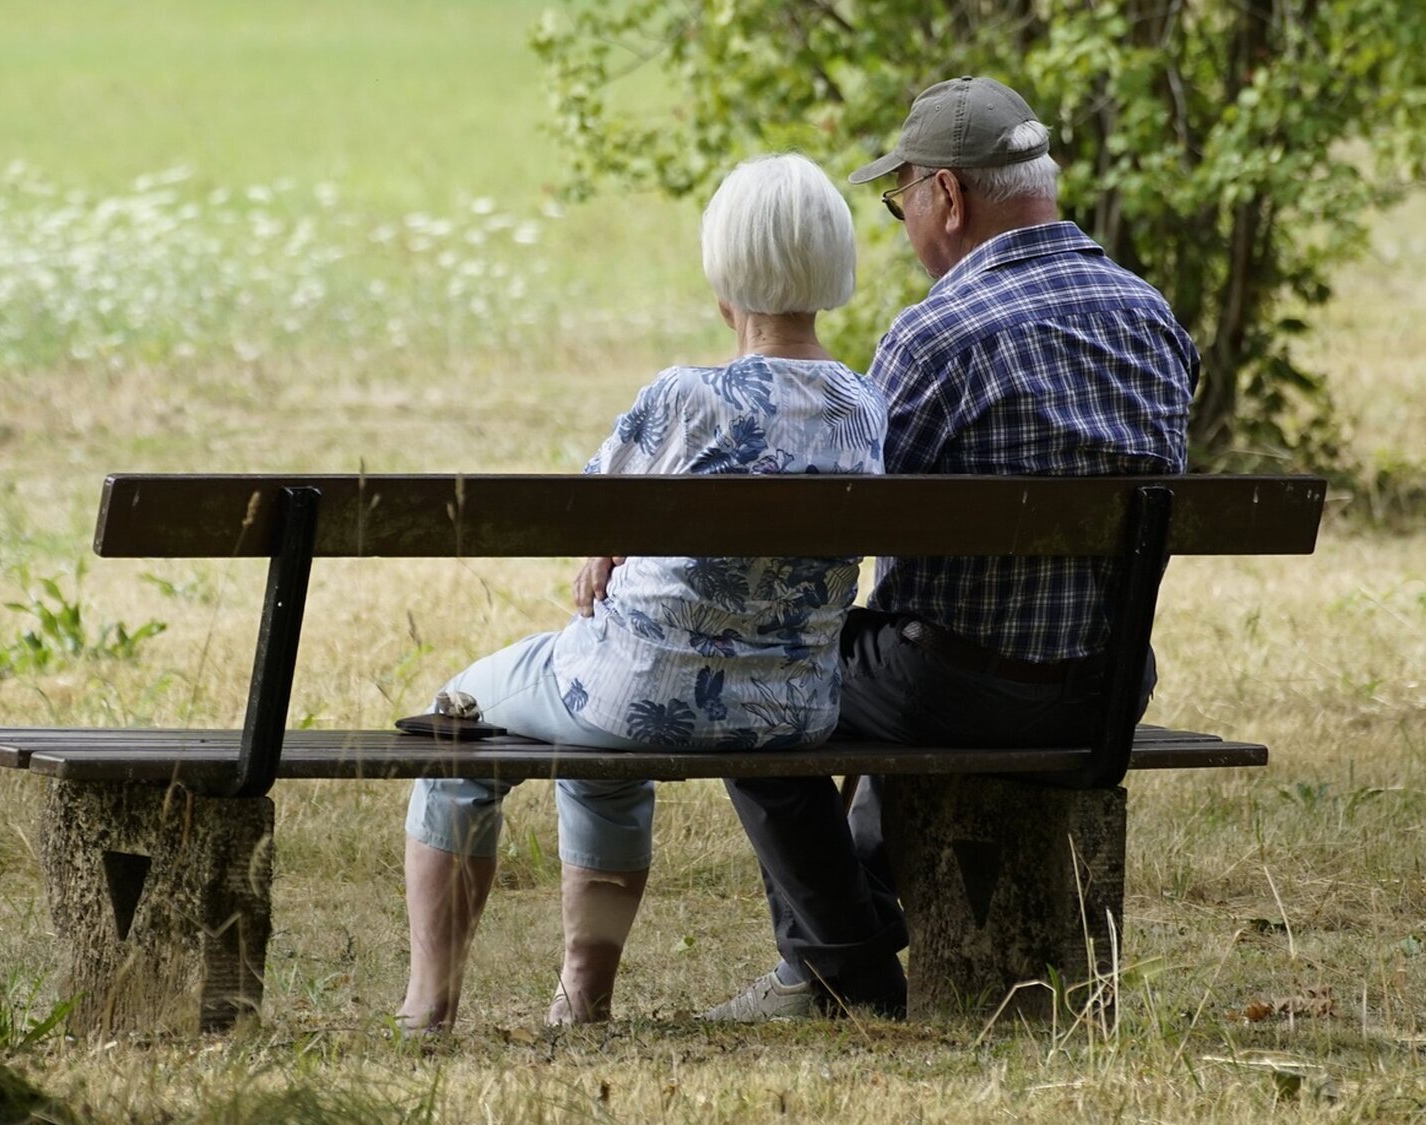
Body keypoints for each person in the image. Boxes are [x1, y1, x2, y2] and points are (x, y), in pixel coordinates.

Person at [703, 76, 1199, 1021]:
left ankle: (841, 969)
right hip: (1106, 689)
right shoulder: (1154, 319)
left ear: (948, 196)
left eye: (901, 205)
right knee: (909, 645)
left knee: (751, 675)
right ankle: (860, 922)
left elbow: (845, 528)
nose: (905, 226)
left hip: (960, 692)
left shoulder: (936, 336)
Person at [397, 153, 888, 1034]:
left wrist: (606, 546)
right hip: (791, 709)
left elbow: (585, 510)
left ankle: (428, 1004)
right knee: (595, 747)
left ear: (724, 271)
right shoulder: (864, 406)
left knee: (455, 719)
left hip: (637, 694)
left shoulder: (686, 399)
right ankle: (582, 998)